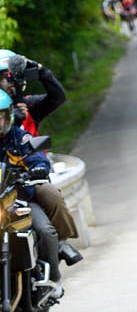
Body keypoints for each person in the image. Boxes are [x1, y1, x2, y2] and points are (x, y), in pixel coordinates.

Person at [0, 50, 84, 265]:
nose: (11, 83)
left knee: (49, 194)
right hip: (3, 183)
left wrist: (41, 71)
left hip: (29, 175)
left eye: (12, 77)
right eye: (5, 78)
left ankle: (61, 241)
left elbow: (58, 97)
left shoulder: (27, 105)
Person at [0, 90, 63, 297]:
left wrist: (39, 168)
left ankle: (52, 279)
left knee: (45, 231)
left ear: (7, 116)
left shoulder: (19, 137)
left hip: (19, 201)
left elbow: (37, 156)